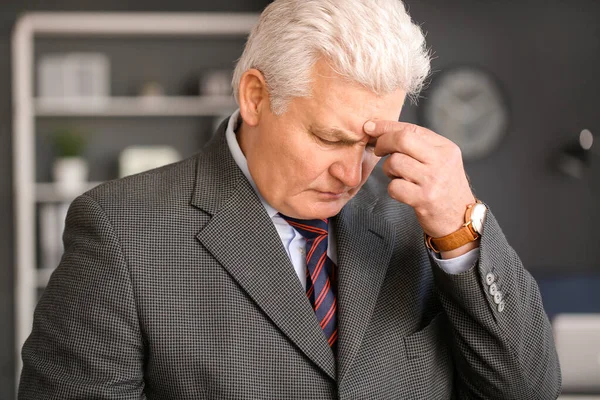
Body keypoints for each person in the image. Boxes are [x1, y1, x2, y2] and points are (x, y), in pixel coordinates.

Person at [19, 0, 561, 398]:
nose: (353, 174)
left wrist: (461, 231)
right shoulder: (119, 230)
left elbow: (529, 392)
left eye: (371, 143)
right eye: (328, 138)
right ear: (256, 96)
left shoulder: (421, 219)